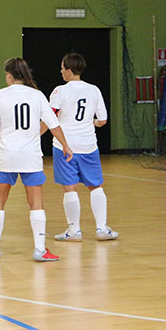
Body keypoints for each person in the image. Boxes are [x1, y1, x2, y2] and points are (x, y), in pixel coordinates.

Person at [0, 57, 74, 262]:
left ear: (10, 75)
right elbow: (53, 124)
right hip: (31, 157)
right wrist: (65, 145)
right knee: (36, 203)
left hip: (6, 156)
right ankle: (39, 249)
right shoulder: (37, 96)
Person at [47, 52, 117, 242]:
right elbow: (102, 120)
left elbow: (50, 118)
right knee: (95, 186)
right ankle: (102, 228)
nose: (60, 71)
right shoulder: (94, 90)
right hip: (88, 145)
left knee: (70, 188)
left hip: (64, 146)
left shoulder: (59, 91)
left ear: (69, 71)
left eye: (62, 68)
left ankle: (74, 231)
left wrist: (33, 137)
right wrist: (90, 123)